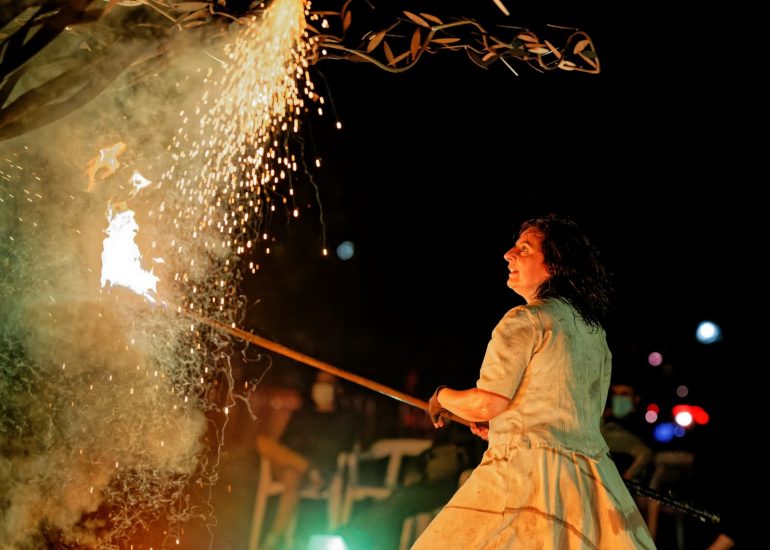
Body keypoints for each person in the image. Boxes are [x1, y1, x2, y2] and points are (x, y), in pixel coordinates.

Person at [412, 214, 656, 549]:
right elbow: (562, 417)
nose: (508, 254)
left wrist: (442, 398)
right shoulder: (594, 334)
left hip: (524, 481)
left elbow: (486, 403)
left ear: (555, 264)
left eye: (524, 249)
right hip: (587, 484)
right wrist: (504, 428)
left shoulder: (526, 320)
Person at [256, 370, 356, 550]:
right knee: (263, 442)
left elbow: (340, 449)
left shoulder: (342, 420)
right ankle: (308, 467)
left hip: (317, 473)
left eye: (327, 383)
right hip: (299, 466)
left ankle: (274, 540)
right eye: (319, 382)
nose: (322, 388)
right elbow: (284, 444)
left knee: (292, 477)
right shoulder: (302, 414)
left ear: (337, 389)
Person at [601, 381, 654, 482]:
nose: (618, 398)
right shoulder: (604, 420)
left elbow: (645, 454)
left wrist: (628, 476)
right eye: (615, 394)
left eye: (624, 394)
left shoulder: (641, 428)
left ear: (636, 399)